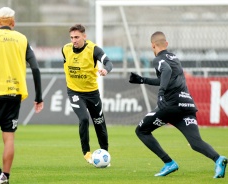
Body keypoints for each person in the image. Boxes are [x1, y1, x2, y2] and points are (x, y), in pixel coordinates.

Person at [129, 31, 227, 178]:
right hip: (186, 105)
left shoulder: (158, 59)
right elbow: (166, 78)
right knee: (195, 142)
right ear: (166, 44)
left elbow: (166, 72)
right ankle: (218, 159)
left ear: (153, 45)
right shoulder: (175, 58)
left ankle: (168, 163)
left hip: (171, 105)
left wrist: (161, 93)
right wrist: (143, 80)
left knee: (141, 130)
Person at [0, 7, 44, 184]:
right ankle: (6, 177)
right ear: (13, 23)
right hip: (15, 95)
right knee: (9, 136)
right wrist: (39, 96)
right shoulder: (22, 39)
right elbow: (35, 67)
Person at [61, 24, 113, 164]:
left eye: (77, 37)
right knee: (84, 119)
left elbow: (108, 62)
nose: (74, 40)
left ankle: (105, 154)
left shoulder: (94, 49)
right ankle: (86, 152)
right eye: (72, 37)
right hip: (75, 92)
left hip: (92, 93)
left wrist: (106, 70)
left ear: (84, 36)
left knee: (99, 123)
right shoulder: (65, 49)